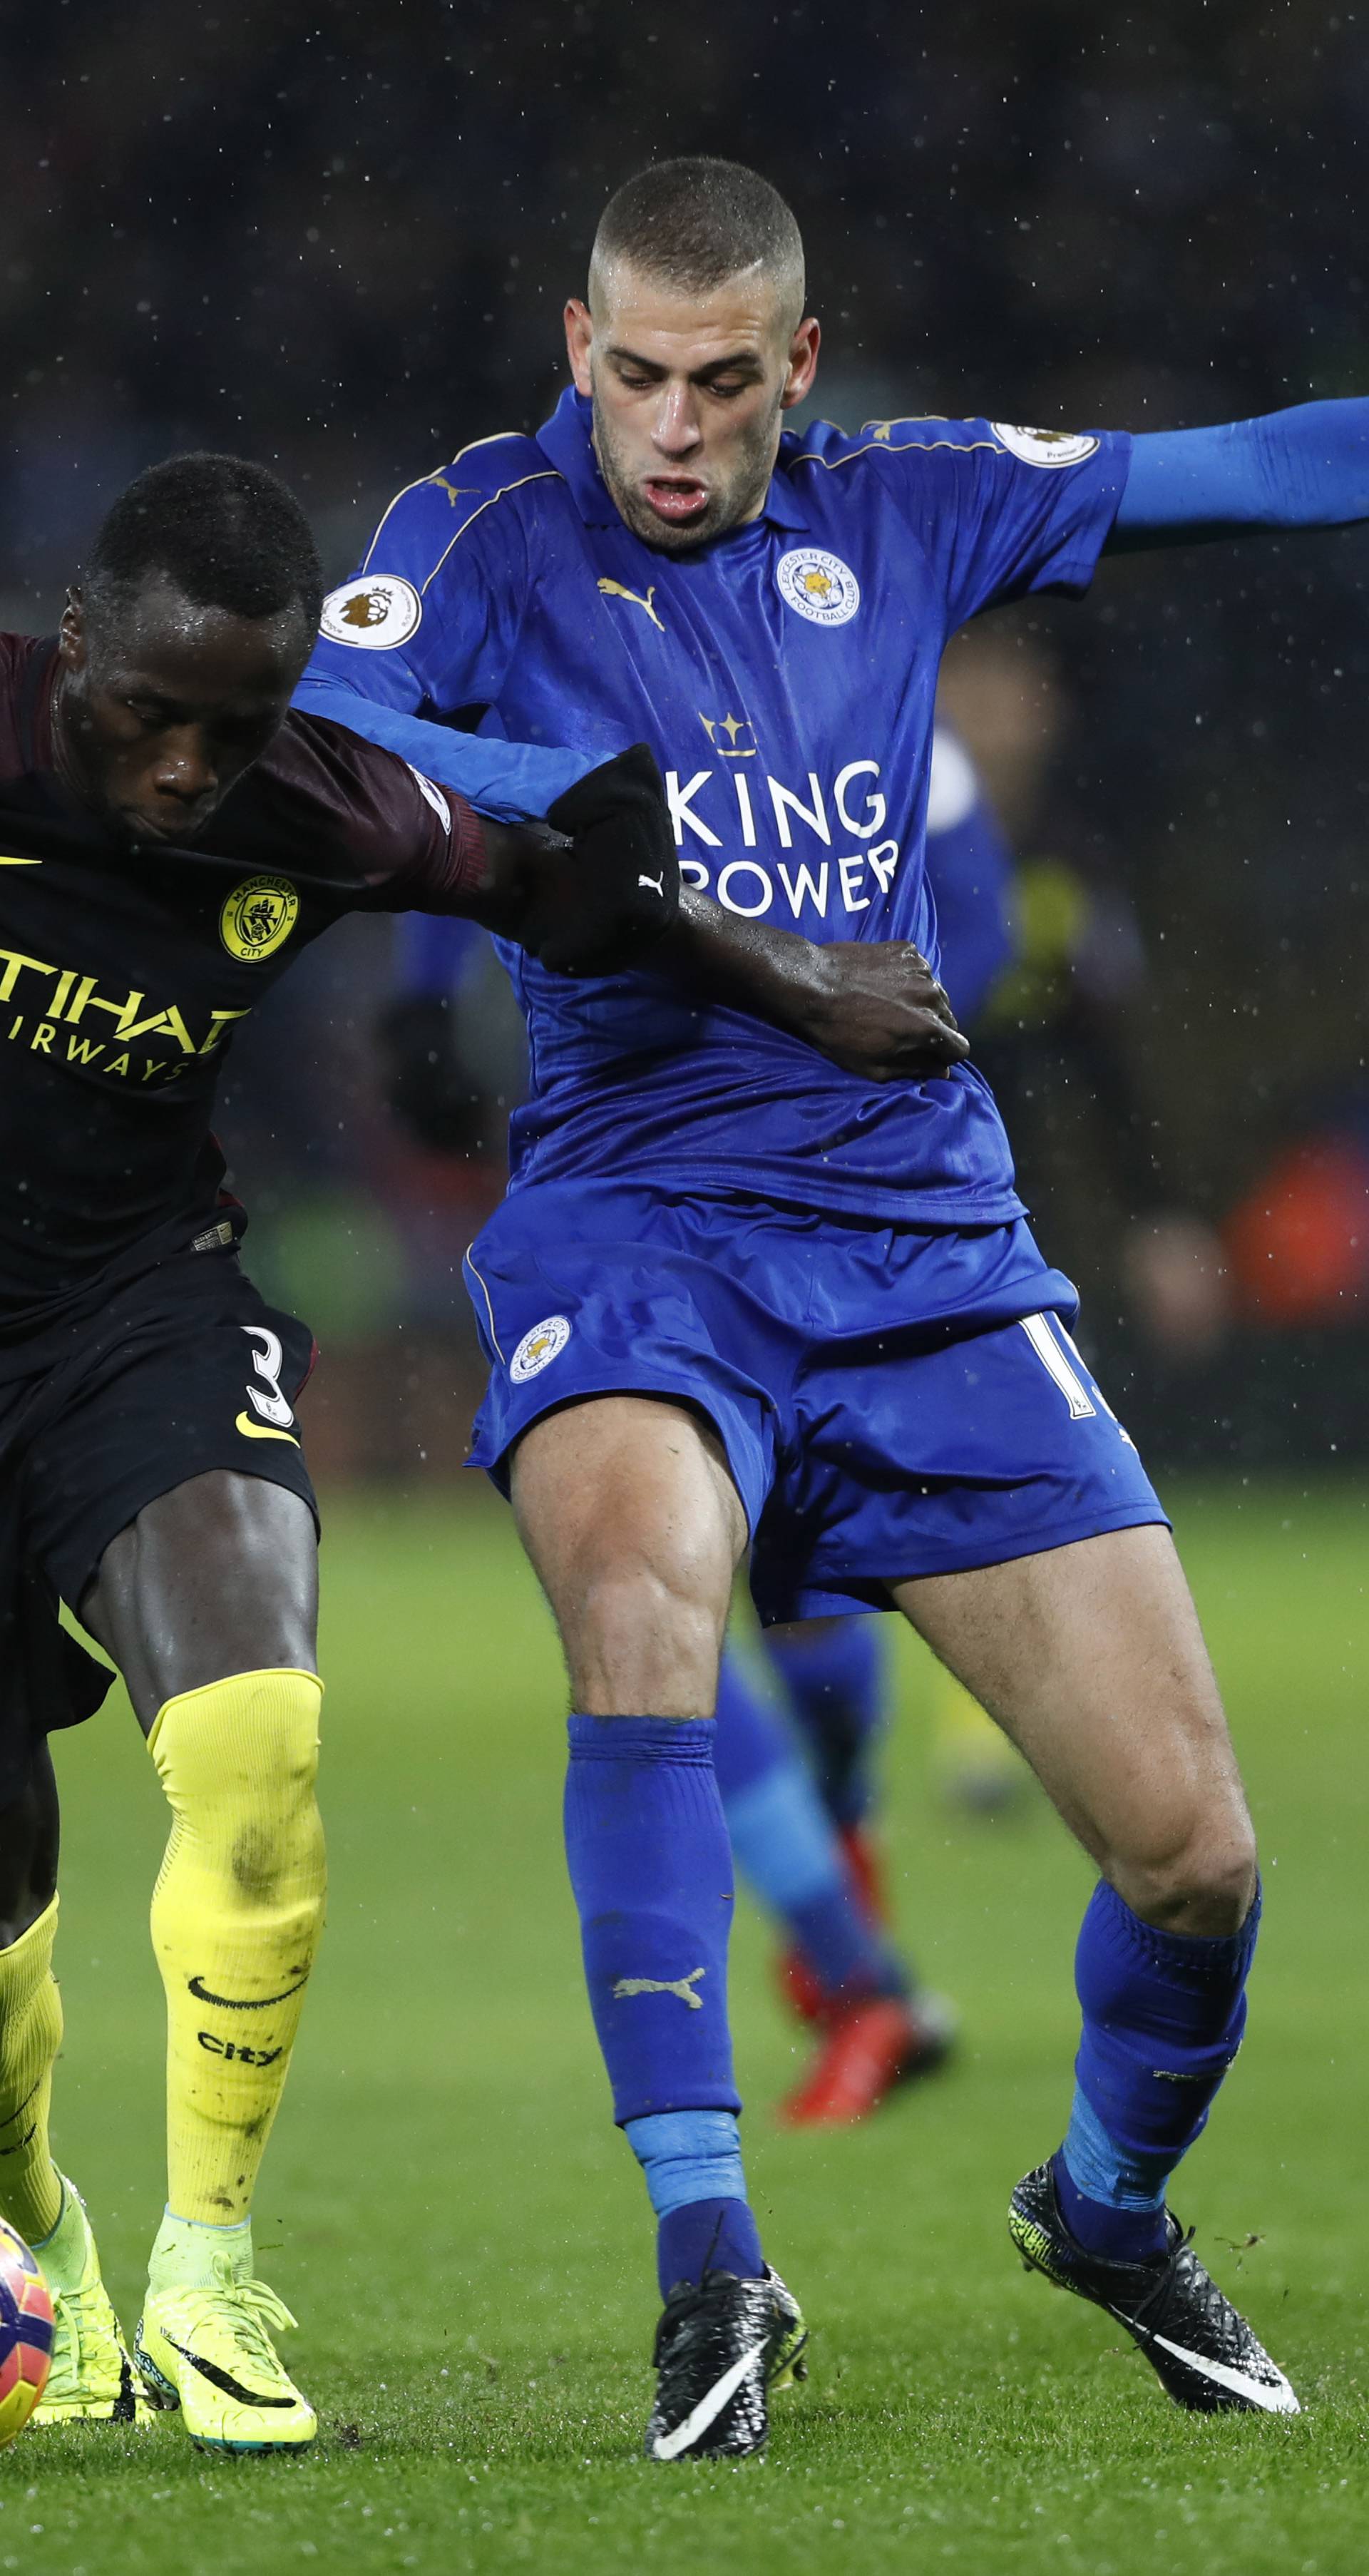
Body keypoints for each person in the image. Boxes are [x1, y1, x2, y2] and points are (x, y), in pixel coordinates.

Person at [296, 155, 1368, 2456]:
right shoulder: (477, 529)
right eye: (631, 378)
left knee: (1195, 1857)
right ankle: (713, 2265)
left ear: (796, 369)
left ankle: (1104, 2202)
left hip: (924, 1251)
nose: (669, 433)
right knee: (643, 1632)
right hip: (635, 1219)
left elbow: (1278, 464)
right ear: (575, 350)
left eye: (719, 385)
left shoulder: (922, 506)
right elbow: (316, 737)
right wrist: (588, 815)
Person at [0, 447, 955, 2449]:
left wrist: (798, 977)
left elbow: (553, 880)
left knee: (256, 1731)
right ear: (71, 648)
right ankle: (42, 2255)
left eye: (232, 727)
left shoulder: (310, 801)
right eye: (147, 714)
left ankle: (210, 2270)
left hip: (129, 1310)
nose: (184, 770)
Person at [378, 714, 1015, 2120]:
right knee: (651, 1602)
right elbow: (437, 817)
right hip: (632, 1214)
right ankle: (860, 1971)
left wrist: (811, 1032)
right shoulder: (556, 687)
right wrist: (422, 999)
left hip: (842, 1214)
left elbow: (980, 938)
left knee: (817, 1618)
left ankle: (849, 1875)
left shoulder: (873, 708)